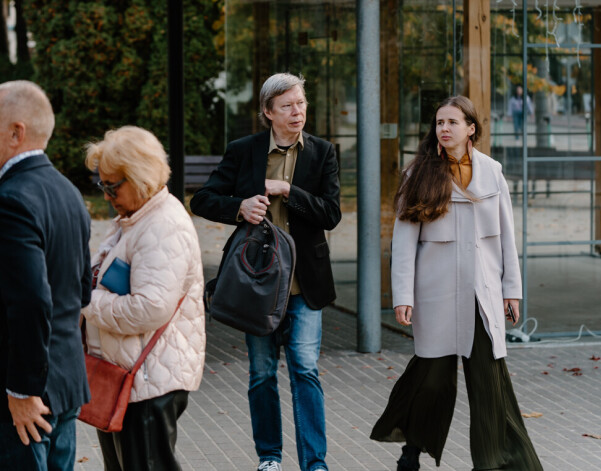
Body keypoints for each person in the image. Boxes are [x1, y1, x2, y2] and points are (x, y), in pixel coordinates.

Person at [370, 96, 543, 471]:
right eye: (438, 123)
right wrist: (403, 295)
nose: (443, 129)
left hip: (482, 294)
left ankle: (498, 462)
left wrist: (511, 289)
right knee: (432, 381)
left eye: (452, 122)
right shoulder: (418, 174)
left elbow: (506, 238)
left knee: (489, 383)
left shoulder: (492, 172)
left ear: (471, 129)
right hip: (435, 294)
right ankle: (412, 449)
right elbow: (403, 243)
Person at [191, 72, 341, 471]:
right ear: (268, 112)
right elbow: (202, 199)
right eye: (288, 106)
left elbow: (331, 214)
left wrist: (289, 191)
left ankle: (315, 463)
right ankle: (270, 458)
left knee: (305, 372)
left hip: (304, 286)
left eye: (302, 103)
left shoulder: (323, 152)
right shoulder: (244, 150)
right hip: (256, 287)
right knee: (261, 375)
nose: (298, 112)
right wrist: (239, 207)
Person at [82, 126, 206, 470]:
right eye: (101, 184)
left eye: (112, 185)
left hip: (150, 382)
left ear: (141, 177)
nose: (106, 194)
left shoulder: (162, 226)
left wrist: (86, 302)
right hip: (129, 377)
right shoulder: (135, 218)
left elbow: (149, 307)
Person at [0, 81, 92, 469]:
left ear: (16, 132)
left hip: (28, 394)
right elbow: (82, 291)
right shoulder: (70, 193)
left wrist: (21, 390)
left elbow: (32, 300)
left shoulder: (11, 198)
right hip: (66, 381)